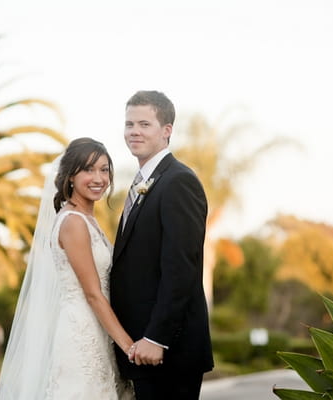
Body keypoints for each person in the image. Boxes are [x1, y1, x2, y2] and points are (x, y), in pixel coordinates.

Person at [0, 138, 135, 399]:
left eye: (104, 170)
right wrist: (129, 346)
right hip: (81, 336)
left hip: (98, 331)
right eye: (89, 169)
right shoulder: (73, 223)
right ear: (70, 176)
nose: (99, 178)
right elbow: (93, 294)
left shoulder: (87, 220)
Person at [110, 90, 214, 399]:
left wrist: (157, 338)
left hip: (168, 352)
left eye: (144, 124)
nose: (134, 132)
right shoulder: (145, 181)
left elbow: (181, 268)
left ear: (166, 130)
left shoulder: (178, 182)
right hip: (141, 350)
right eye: (129, 124)